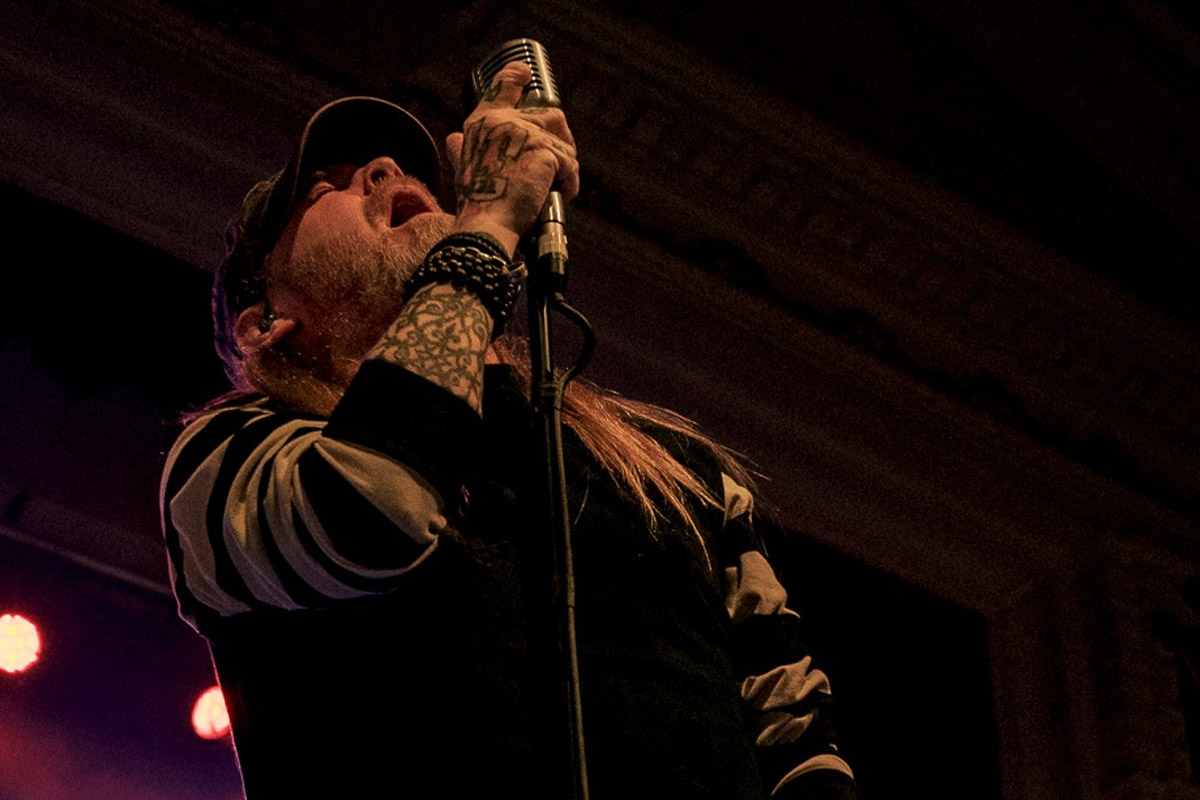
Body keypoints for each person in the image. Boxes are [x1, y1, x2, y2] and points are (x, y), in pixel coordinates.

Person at [160, 59, 858, 799]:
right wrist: (486, 230)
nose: (386, 168)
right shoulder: (226, 457)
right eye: (324, 187)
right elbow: (368, 511)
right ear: (266, 324)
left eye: (387, 164)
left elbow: (795, 740)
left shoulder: (676, 467)